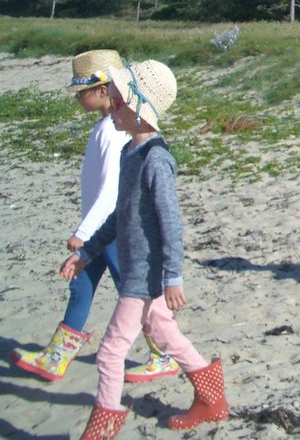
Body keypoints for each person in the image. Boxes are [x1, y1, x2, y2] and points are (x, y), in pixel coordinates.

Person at [61, 60, 228, 439]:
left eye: (118, 104)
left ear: (139, 109)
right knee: (164, 332)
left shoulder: (156, 159)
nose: (112, 110)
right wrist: (87, 252)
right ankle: (211, 397)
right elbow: (120, 216)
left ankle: (101, 428)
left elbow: (172, 224)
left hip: (144, 275)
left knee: (109, 352)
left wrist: (173, 277)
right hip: (139, 269)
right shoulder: (129, 154)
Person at [9, 50, 178, 383]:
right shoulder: (108, 127)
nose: (78, 99)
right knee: (81, 287)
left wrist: (84, 231)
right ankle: (55, 358)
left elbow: (110, 192)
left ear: (104, 91)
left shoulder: (113, 131)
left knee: (136, 296)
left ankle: (164, 354)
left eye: (82, 92)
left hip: (110, 232)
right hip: (102, 231)